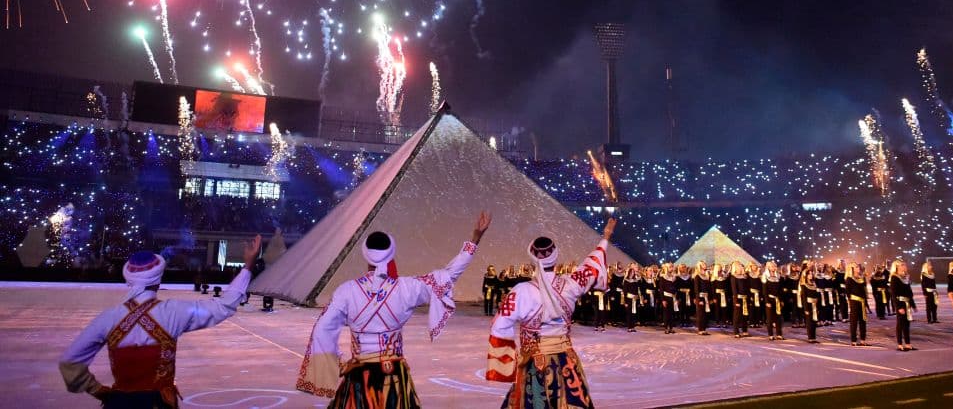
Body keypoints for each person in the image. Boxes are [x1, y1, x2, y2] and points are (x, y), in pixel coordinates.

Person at [297, 212, 491, 406]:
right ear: (390, 254)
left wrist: (338, 362)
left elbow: (323, 328)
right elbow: (449, 275)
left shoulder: (346, 291)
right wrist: (475, 238)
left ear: (365, 254)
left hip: (359, 375)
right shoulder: (406, 288)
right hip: (394, 376)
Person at [59, 235, 262, 408]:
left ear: (128, 280)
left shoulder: (108, 318)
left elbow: (70, 362)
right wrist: (247, 266)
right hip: (158, 403)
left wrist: (99, 391)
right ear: (158, 279)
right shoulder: (172, 312)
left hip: (118, 403)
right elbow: (223, 306)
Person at [486, 217, 616, 409]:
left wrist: (509, 361)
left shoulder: (521, 291)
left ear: (532, 258)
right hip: (565, 359)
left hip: (535, 361)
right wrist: (605, 237)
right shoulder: (570, 285)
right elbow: (592, 267)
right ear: (556, 256)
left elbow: (499, 325)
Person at [890, 259, 916, 351]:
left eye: (904, 264)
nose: (905, 266)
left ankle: (908, 344)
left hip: (907, 303)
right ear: (897, 267)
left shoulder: (906, 277)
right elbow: (893, 294)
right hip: (900, 303)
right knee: (900, 324)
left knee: (907, 324)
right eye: (902, 265)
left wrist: (913, 304)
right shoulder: (894, 277)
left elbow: (909, 292)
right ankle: (900, 344)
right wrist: (899, 307)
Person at [846, 262, 871, 346]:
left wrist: (865, 301)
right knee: (854, 321)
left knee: (863, 321)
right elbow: (848, 292)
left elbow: (864, 290)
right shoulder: (849, 278)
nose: (858, 268)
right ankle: (853, 340)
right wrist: (851, 302)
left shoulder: (862, 278)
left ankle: (863, 340)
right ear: (852, 269)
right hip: (854, 302)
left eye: (858, 267)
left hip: (862, 302)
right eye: (856, 267)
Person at [762, 261, 785, 341]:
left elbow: (780, 290)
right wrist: (767, 301)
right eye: (772, 266)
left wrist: (781, 300)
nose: (773, 268)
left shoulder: (778, 276)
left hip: (777, 299)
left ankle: (779, 334)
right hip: (769, 299)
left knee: (778, 317)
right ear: (768, 267)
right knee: (770, 318)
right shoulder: (765, 276)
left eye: (775, 266)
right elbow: (764, 290)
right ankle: (770, 334)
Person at [799, 265, 820, 343]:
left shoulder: (814, 284)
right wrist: (806, 308)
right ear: (806, 275)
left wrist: (818, 306)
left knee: (814, 321)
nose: (811, 275)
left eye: (811, 274)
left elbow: (817, 295)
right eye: (809, 274)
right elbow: (803, 297)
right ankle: (810, 337)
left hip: (815, 304)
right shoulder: (803, 285)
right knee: (809, 322)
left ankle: (814, 337)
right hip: (808, 304)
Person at [729, 261, 751, 338]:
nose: (741, 267)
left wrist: (749, 298)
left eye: (741, 266)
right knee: (737, 315)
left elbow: (748, 288)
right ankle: (736, 331)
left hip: (745, 298)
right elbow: (734, 290)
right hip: (738, 298)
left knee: (745, 315)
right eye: (739, 266)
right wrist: (736, 301)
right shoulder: (733, 277)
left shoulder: (745, 277)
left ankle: (745, 330)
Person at [657, 263, 678, 334]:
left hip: (673, 297)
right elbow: (661, 289)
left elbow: (676, 288)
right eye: (670, 267)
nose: (671, 268)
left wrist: (676, 298)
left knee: (672, 313)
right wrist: (663, 300)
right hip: (666, 297)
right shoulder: (662, 277)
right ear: (666, 268)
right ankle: (666, 327)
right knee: (666, 313)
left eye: (672, 267)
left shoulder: (674, 277)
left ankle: (671, 327)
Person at [622, 262, 642, 333]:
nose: (633, 273)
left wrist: (638, 299)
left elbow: (638, 289)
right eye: (632, 272)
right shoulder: (626, 280)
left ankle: (633, 326)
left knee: (634, 313)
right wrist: (625, 301)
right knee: (629, 313)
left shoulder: (636, 280)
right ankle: (629, 327)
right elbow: (625, 292)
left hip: (635, 299)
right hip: (629, 298)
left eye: (634, 272)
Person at [693, 261, 711, 335]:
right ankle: (700, 329)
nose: (705, 265)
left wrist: (710, 298)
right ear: (699, 266)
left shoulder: (706, 276)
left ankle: (704, 329)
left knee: (706, 314)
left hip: (706, 297)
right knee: (700, 314)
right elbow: (696, 289)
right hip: (700, 297)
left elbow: (709, 288)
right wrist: (699, 299)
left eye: (705, 264)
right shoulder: (697, 276)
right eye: (703, 264)